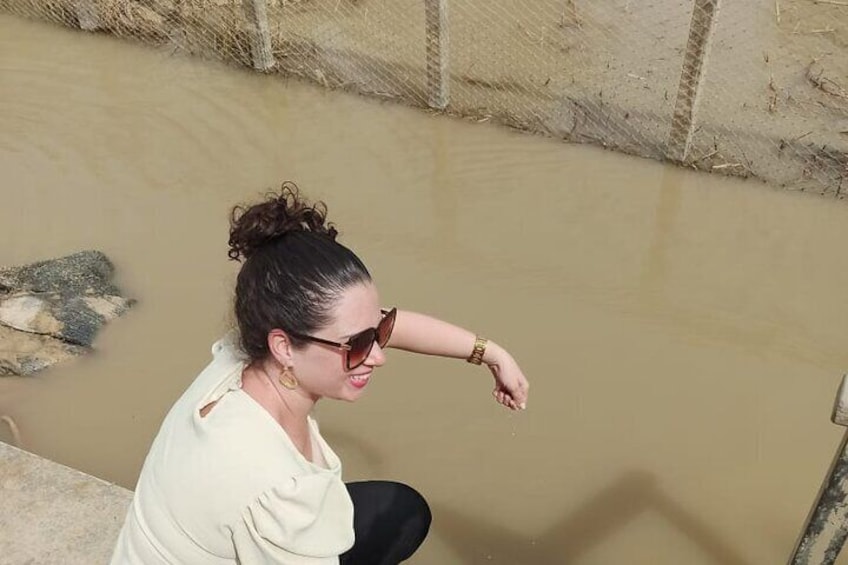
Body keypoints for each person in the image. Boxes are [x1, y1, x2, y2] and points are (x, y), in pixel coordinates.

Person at [110, 183, 530, 564]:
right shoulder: (276, 487)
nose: (379, 355)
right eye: (358, 345)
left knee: (401, 510)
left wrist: (491, 354)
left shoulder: (247, 350)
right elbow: (274, 488)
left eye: (377, 333)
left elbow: (390, 325)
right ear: (284, 346)